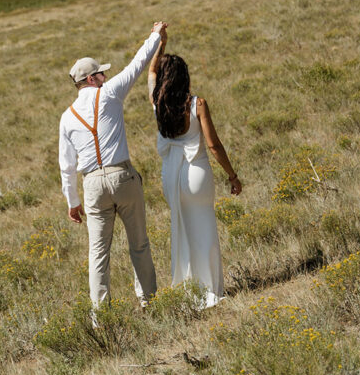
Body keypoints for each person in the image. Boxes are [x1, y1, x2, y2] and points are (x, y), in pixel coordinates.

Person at [59, 22, 167, 309]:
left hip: (92, 184)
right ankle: (149, 303)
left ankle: (102, 316)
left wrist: (72, 201)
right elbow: (138, 63)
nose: (106, 77)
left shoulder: (66, 117)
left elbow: (66, 166)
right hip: (122, 176)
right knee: (139, 245)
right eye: (102, 73)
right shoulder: (109, 94)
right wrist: (155, 35)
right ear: (92, 78)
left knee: (98, 254)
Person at [148, 30, 242, 305]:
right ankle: (211, 289)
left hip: (171, 175)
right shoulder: (196, 104)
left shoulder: (158, 103)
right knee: (205, 229)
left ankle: (189, 291)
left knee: (181, 228)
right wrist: (232, 175)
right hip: (197, 173)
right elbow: (214, 146)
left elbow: (152, 71)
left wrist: (160, 43)